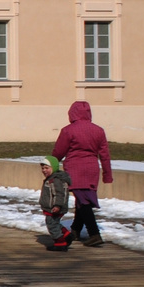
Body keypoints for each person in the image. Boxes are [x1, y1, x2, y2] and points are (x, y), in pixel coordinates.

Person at [51, 101, 112, 247]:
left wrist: (52, 165)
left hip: (75, 168)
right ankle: (75, 230)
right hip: (92, 168)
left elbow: (59, 151)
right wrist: (107, 174)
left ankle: (94, 233)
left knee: (83, 202)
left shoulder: (68, 130)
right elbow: (104, 154)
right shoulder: (98, 130)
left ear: (71, 113)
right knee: (82, 200)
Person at [40, 155, 72, 251]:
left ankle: (60, 243)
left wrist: (57, 205)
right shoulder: (51, 179)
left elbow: (59, 194)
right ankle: (67, 235)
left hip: (55, 208)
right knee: (55, 223)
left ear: (53, 168)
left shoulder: (55, 180)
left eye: (47, 168)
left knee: (52, 225)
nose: (44, 170)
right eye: (42, 168)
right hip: (52, 207)